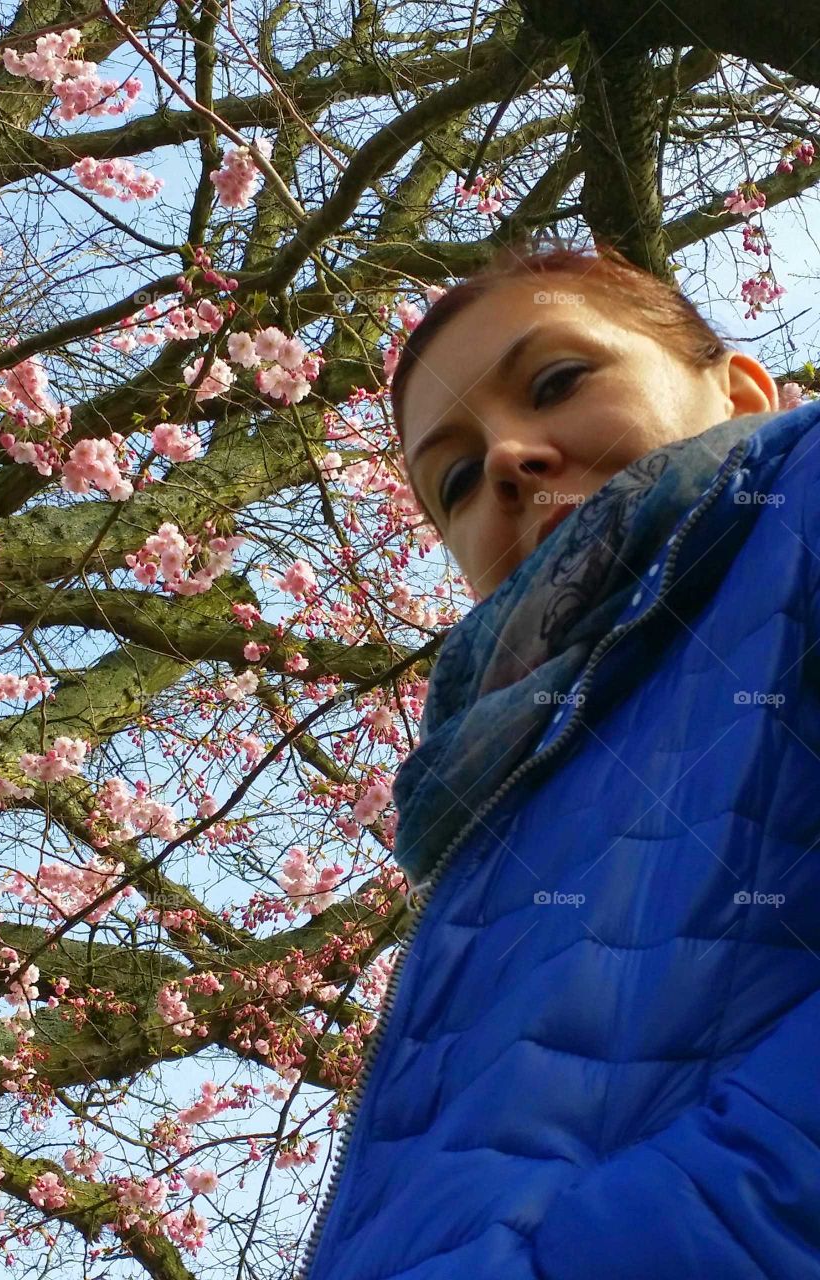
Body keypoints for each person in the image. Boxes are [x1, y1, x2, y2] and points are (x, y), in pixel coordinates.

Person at [297, 244, 820, 1280]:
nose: (504, 457)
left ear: (741, 390)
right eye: (454, 479)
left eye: (557, 380)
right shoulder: (500, 786)